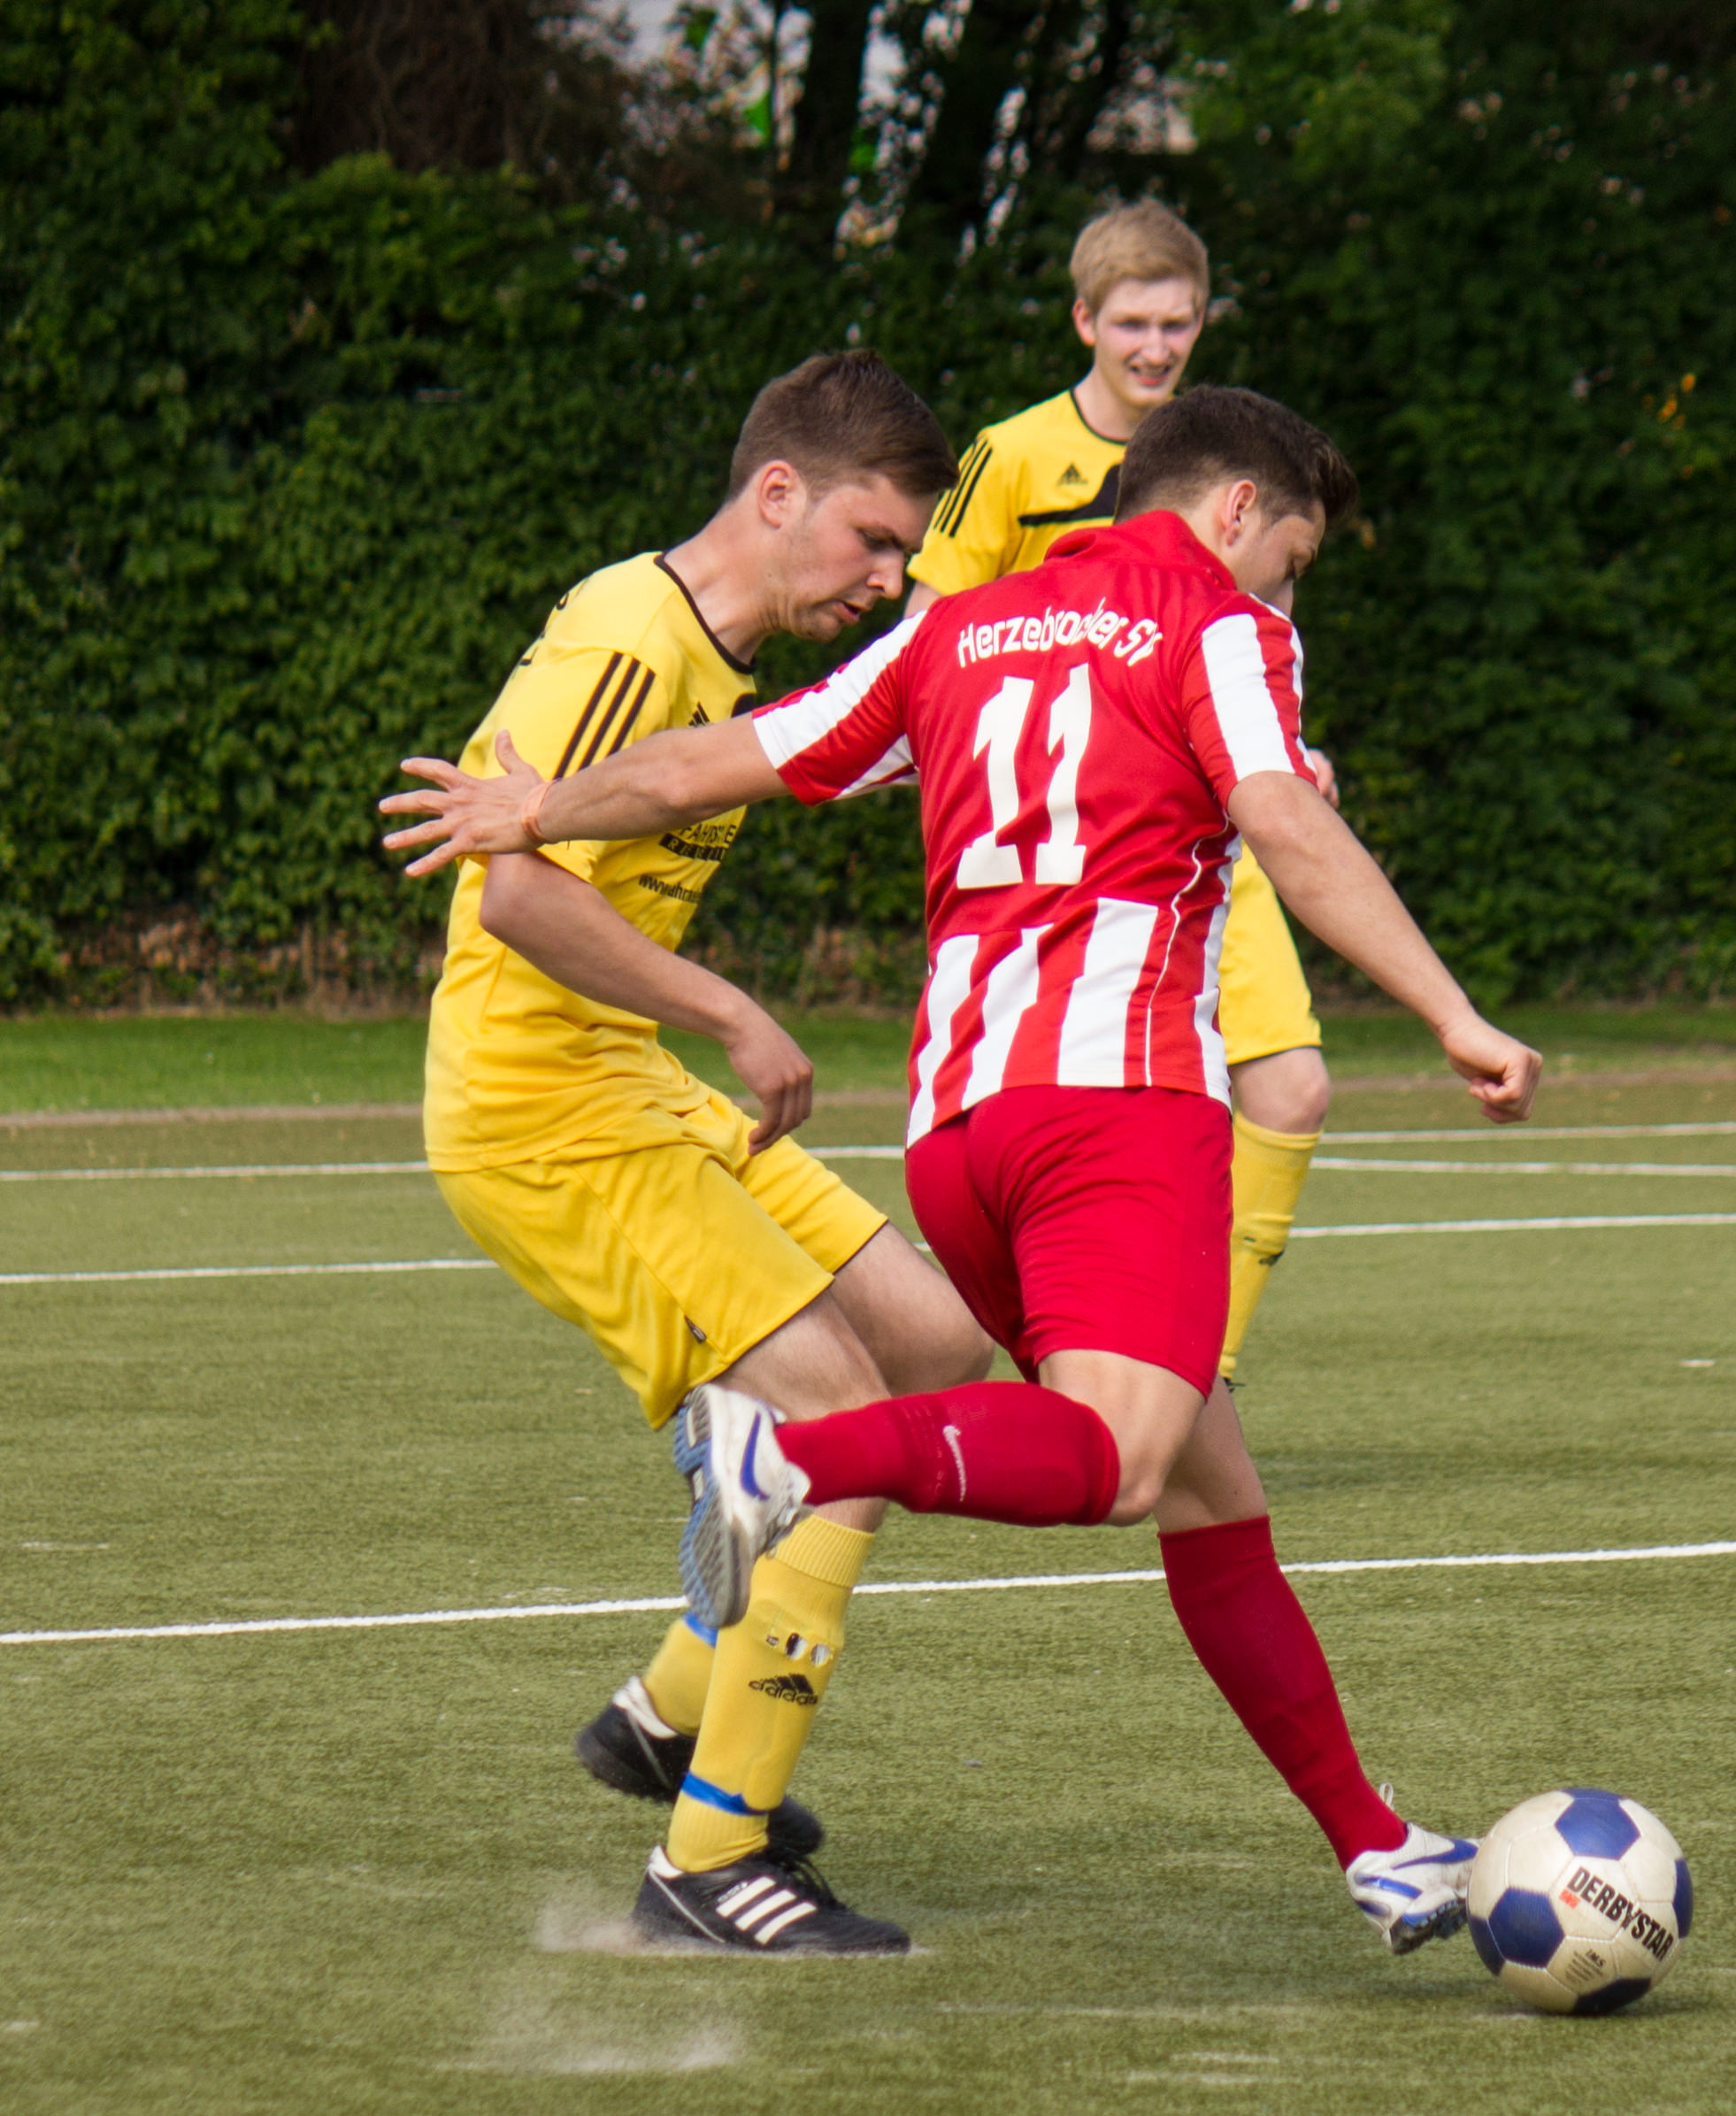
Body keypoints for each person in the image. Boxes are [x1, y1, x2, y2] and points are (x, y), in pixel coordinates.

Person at [384, 383, 1543, 1959]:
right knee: (1102, 1457)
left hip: (958, 1132)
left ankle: (1376, 1848)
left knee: (1148, 1452)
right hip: (1108, 1108)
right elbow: (1277, 817)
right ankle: (726, 1774)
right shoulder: (1218, 625)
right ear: (1231, 514)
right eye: (1291, 562)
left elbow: (717, 764)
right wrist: (1454, 1013)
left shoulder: (963, 633)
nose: (1287, 598)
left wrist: (535, 803)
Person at [396, 350, 995, 1952]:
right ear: (778, 492)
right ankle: (710, 1864)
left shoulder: (726, 665)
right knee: (842, 1422)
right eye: (872, 540)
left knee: (940, 1348)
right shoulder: (628, 638)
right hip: (543, 1117)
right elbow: (513, 889)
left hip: (630, 1088)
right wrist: (733, 1009)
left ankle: (670, 1713)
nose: (886, 579)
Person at [905, 199, 1333, 1391]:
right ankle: (1098, 1384)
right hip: (1067, 846)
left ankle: (1201, 1377)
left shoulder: (1236, 464)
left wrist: (1290, 756)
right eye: (1133, 324)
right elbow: (929, 632)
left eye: (1176, 323)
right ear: (1084, 321)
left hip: (1208, 829)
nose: (1156, 347)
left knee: (1293, 1087)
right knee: (1057, 1122)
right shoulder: (1011, 457)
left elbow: (1259, 634)